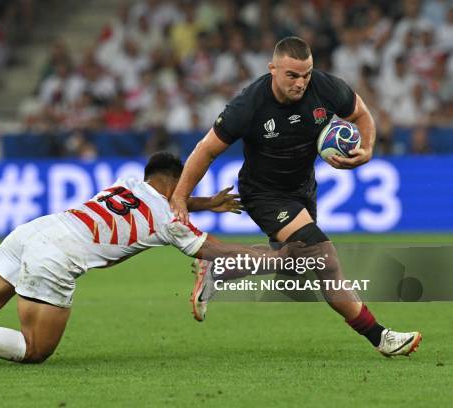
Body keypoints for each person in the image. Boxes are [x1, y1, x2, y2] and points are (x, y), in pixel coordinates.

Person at [0, 152, 287, 366]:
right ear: (176, 181)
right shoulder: (168, 220)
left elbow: (166, 200)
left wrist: (205, 202)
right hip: (56, 257)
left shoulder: (130, 180)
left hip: (34, 231)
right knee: (36, 351)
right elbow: (205, 245)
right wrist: (264, 254)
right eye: (188, 185)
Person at [169, 36, 421, 357]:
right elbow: (205, 151)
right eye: (292, 75)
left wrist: (368, 149)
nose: (301, 83)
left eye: (306, 74)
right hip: (264, 193)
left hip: (302, 189)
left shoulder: (326, 87)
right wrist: (179, 197)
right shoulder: (248, 106)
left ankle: (220, 267)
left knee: (296, 266)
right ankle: (381, 337)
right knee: (325, 260)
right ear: (272, 69)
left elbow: (361, 114)